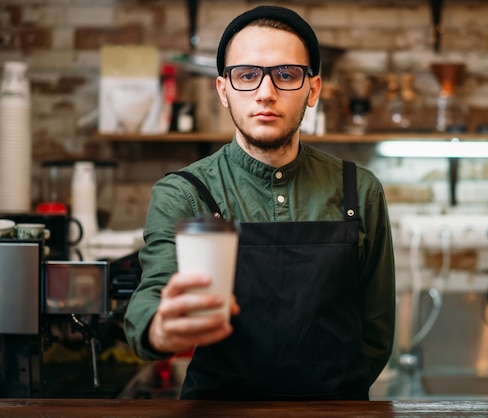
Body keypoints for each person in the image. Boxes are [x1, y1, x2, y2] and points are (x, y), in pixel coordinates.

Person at [123, 5, 395, 400]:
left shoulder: (360, 190)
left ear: (313, 89)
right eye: (247, 75)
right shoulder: (183, 193)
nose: (265, 93)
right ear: (223, 91)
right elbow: (149, 298)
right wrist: (160, 329)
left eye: (286, 74)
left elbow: (377, 329)